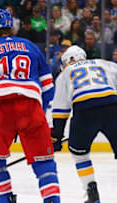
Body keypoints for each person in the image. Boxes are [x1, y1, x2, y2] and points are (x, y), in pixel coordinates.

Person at [0, 9, 60, 203]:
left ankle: (6, 200)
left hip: (0, 108)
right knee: (44, 161)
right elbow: (48, 88)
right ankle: (52, 200)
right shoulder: (31, 46)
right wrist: (37, 113)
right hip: (32, 106)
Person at [51, 45, 117, 203]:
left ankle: (91, 190)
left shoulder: (65, 73)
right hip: (112, 107)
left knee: (79, 153)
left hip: (84, 110)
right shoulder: (104, 63)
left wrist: (57, 138)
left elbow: (60, 110)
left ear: (68, 60)